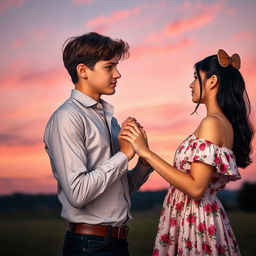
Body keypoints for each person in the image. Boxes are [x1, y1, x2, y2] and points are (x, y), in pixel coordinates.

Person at [119, 49, 254, 256]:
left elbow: (195, 187)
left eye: (195, 78)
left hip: (196, 219)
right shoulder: (221, 123)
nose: (191, 85)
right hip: (202, 215)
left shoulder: (212, 123)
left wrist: (146, 153)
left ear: (212, 81)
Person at [44, 32, 153, 256]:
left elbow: (120, 189)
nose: (118, 74)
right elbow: (77, 194)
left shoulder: (109, 120)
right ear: (83, 71)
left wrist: (144, 158)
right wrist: (123, 155)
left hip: (117, 242)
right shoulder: (68, 117)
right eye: (109, 67)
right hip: (89, 246)